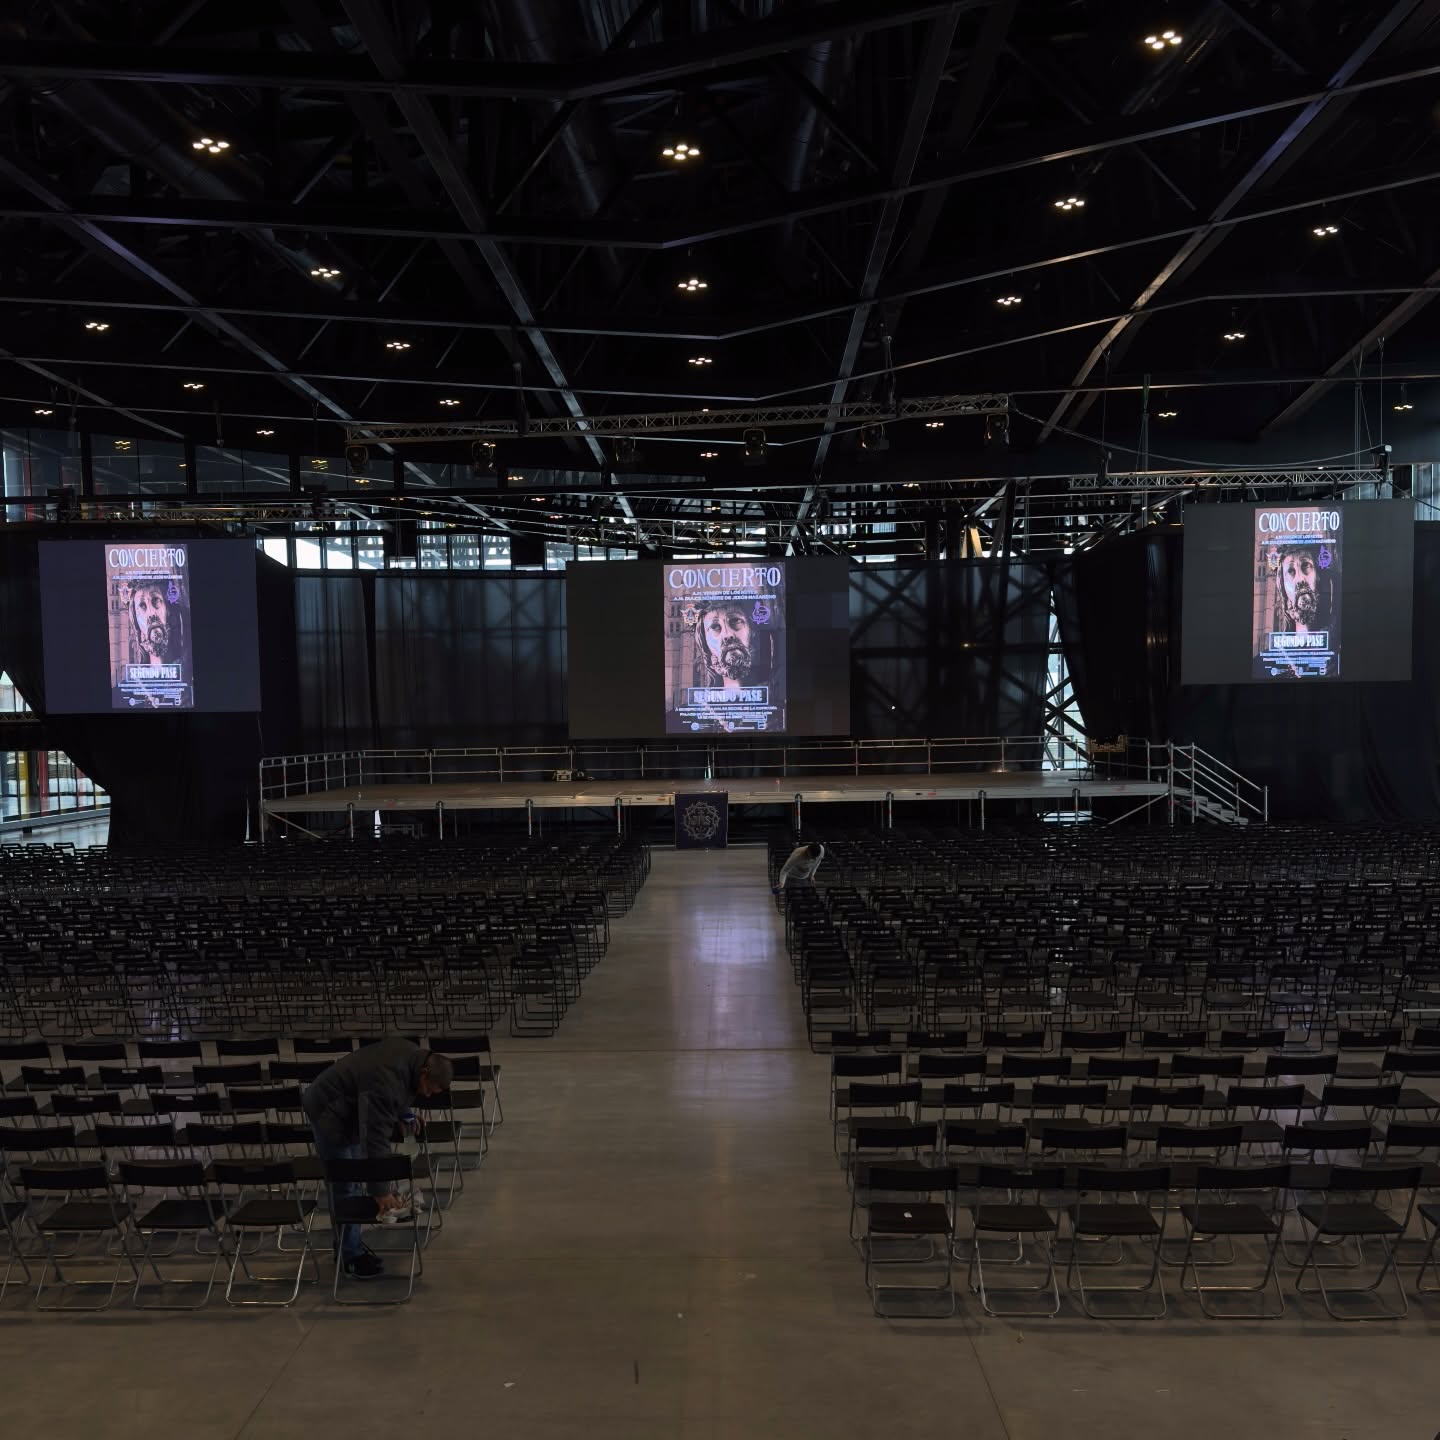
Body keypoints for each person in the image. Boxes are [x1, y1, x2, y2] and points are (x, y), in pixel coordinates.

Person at [303, 1037, 454, 1279]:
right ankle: (350, 1257)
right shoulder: (389, 1077)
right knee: (345, 1184)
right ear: (425, 1073)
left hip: (350, 1108)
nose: (426, 1096)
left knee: (351, 1180)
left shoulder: (412, 1058)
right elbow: (374, 1138)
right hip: (329, 1112)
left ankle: (345, 1245)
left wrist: (405, 1114)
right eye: (428, 1089)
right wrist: (381, 1190)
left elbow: (399, 1092)